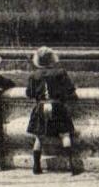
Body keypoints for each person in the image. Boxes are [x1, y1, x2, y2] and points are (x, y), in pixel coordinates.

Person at [25, 46, 78, 175]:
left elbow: (29, 93)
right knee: (65, 134)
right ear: (52, 59)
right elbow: (70, 90)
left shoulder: (34, 75)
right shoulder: (60, 73)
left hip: (41, 106)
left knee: (39, 137)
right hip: (57, 105)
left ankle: (36, 167)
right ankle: (71, 166)